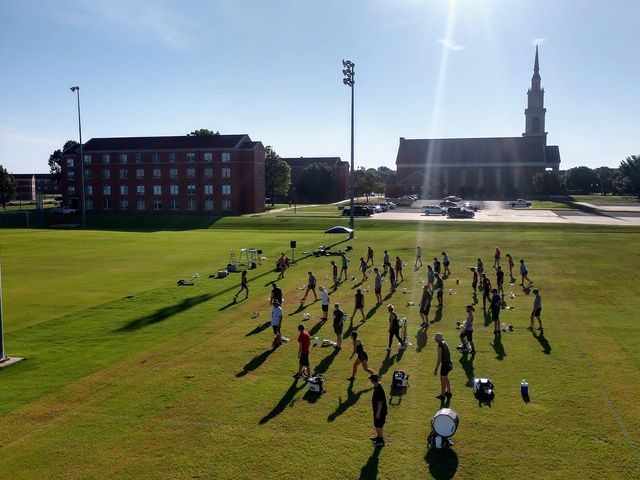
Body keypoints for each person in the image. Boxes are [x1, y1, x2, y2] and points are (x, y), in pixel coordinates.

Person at [369, 374, 387, 446]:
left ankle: (381, 441)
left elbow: (380, 402)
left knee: (378, 425)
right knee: (377, 425)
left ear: (372, 380)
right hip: (378, 411)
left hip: (380, 411)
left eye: (371, 379)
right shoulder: (378, 386)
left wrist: (378, 413)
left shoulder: (379, 389)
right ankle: (379, 437)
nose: (370, 380)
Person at [433, 333, 452, 399]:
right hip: (449, 363)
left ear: (437, 339)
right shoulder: (444, 343)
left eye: (435, 338)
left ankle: (443, 395)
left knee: (443, 379)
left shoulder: (439, 346)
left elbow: (439, 359)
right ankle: (449, 392)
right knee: (446, 377)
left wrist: (436, 369)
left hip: (445, 365)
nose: (434, 339)